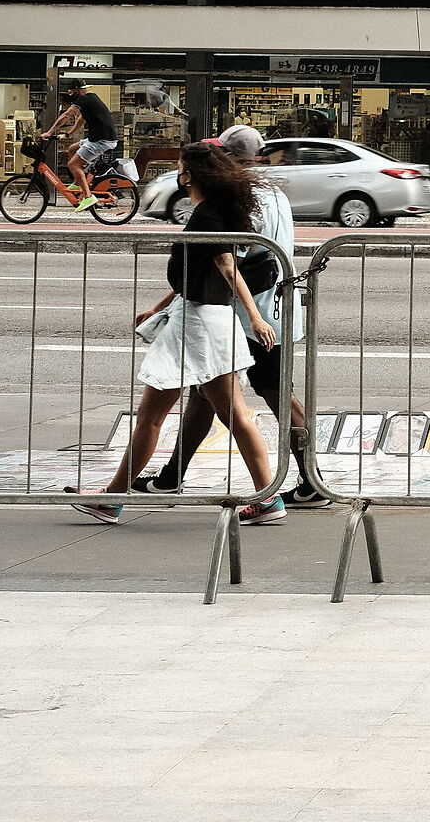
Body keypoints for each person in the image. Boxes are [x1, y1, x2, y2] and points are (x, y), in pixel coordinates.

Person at [70, 142, 280, 526]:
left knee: (152, 416)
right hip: (206, 319)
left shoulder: (206, 215)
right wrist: (160, 307)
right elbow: (198, 269)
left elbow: (225, 265)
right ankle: (267, 498)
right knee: (234, 413)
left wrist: (255, 316)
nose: (178, 174)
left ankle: (114, 497)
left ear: (192, 176)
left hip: (197, 325)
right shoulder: (214, 211)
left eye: (182, 168)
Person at [139, 127, 317, 506]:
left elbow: (231, 261)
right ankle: (171, 476)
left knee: (275, 396)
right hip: (255, 312)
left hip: (251, 316)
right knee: (205, 394)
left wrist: (251, 315)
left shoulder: (248, 198)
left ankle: (310, 482)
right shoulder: (267, 192)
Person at [47, 79, 120, 211]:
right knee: (72, 149)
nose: (69, 95)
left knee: (73, 164)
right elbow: (81, 120)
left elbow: (67, 115)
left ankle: (88, 196)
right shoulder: (91, 99)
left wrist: (50, 131)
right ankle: (77, 183)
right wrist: (69, 134)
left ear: (76, 91)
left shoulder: (82, 99)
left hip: (102, 140)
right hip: (98, 138)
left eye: (70, 92)